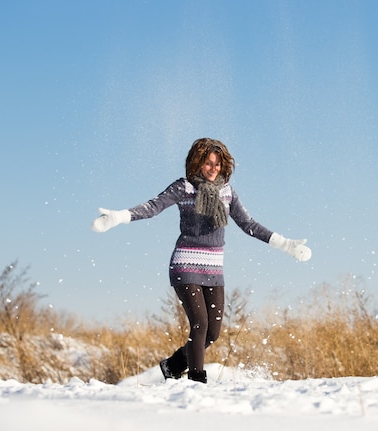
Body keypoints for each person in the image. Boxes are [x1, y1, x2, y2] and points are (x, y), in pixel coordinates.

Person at [91, 137, 311, 384]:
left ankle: (173, 365)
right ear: (197, 163)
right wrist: (121, 216)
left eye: (217, 164)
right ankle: (197, 381)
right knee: (200, 324)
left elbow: (248, 225)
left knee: (212, 333)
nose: (213, 168)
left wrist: (285, 244)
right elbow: (154, 207)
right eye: (208, 163)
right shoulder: (184, 188)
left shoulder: (227, 193)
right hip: (185, 266)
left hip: (214, 269)